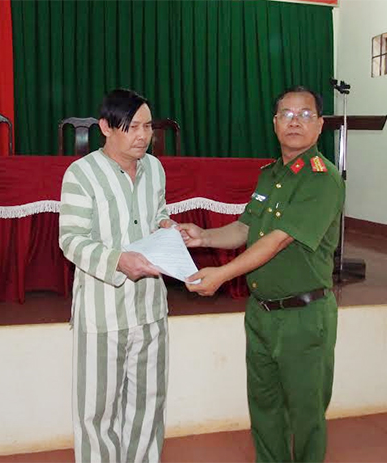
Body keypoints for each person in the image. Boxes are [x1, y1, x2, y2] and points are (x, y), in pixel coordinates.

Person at [179, 86, 345, 462]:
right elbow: (246, 228)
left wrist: (222, 274)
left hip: (303, 317)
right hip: (262, 313)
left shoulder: (322, 179)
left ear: (320, 125)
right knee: (265, 411)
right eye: (287, 114)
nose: (295, 122)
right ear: (274, 123)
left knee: (306, 417)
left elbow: (277, 240)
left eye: (305, 115)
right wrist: (202, 236)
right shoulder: (271, 175)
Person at [59, 89, 174, 462]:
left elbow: (158, 212)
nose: (142, 136)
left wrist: (167, 227)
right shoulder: (81, 174)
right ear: (106, 127)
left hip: (150, 309)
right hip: (102, 314)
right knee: (97, 414)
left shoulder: (154, 169)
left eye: (148, 127)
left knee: (148, 407)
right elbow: (71, 240)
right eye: (132, 127)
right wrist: (118, 261)